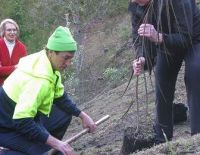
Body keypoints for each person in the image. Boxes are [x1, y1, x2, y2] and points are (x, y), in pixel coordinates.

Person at [0, 26, 97, 155]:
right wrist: (55, 143)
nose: (68, 63)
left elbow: (60, 96)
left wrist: (82, 115)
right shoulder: (38, 79)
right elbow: (22, 121)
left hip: (26, 117)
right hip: (7, 127)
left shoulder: (48, 62)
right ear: (51, 52)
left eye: (70, 59)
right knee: (47, 152)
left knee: (63, 114)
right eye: (65, 58)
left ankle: (41, 142)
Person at [129, 0, 200, 144]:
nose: (133, 1)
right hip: (165, 44)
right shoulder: (135, 5)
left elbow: (186, 37)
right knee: (162, 80)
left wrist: (158, 37)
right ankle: (162, 139)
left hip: (194, 40)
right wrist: (141, 58)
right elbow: (138, 39)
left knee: (195, 74)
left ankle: (197, 135)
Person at [0, 18, 27, 86]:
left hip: (15, 87)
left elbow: (24, 70)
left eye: (14, 30)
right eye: (9, 30)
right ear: (3, 31)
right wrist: (15, 67)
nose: (12, 32)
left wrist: (4, 69)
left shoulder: (22, 48)